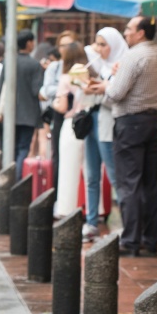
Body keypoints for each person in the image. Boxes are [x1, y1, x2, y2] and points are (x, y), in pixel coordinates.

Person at [91, 16, 157, 256]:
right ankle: (150, 237)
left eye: (129, 29)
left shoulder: (134, 56)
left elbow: (115, 93)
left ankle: (131, 240)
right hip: (153, 120)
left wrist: (105, 85)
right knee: (149, 182)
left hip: (130, 122)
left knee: (129, 183)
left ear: (141, 33)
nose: (125, 33)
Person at [81, 28, 128, 240]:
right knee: (91, 175)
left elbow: (118, 97)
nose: (99, 49)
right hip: (91, 121)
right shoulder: (96, 65)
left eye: (103, 44)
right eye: (97, 44)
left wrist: (103, 90)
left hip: (108, 123)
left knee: (114, 174)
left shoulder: (123, 65)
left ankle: (127, 223)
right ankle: (91, 222)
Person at [53, 44, 96, 219]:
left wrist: (53, 103)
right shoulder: (93, 76)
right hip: (91, 123)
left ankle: (66, 210)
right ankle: (95, 210)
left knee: (68, 170)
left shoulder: (66, 78)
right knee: (92, 171)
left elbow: (62, 107)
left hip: (72, 124)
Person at [40, 31, 79, 189]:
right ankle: (56, 192)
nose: (65, 49)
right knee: (58, 154)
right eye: (62, 45)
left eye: (69, 45)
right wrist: (66, 87)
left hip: (79, 115)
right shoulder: (55, 67)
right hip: (59, 114)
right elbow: (46, 89)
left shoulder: (80, 66)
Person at [11, 29, 45, 180]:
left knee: (12, 148)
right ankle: (18, 181)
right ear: (29, 43)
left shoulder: (9, 62)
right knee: (24, 148)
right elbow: (37, 91)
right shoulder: (35, 65)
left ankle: (10, 180)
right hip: (28, 114)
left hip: (10, 114)